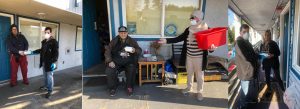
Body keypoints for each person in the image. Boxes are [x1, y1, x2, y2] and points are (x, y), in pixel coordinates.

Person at [158, 10, 215, 101]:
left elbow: (211, 45)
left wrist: (211, 49)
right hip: (189, 56)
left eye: (193, 17)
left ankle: (200, 91)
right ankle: (189, 87)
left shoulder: (207, 29)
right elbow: (179, 38)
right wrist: (166, 40)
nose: (191, 18)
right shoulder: (189, 29)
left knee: (200, 75)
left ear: (199, 18)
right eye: (191, 16)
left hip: (199, 58)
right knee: (189, 73)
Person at [104, 26, 142, 96]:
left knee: (132, 69)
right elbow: (107, 50)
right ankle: (112, 87)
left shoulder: (132, 41)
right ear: (119, 33)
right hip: (117, 61)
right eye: (121, 33)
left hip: (128, 61)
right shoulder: (114, 40)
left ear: (127, 33)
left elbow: (139, 50)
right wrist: (109, 61)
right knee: (109, 70)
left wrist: (134, 50)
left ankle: (129, 87)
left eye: (124, 33)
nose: (123, 34)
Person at [235, 24, 259, 108]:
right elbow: (247, 56)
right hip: (245, 72)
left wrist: (256, 55)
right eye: (244, 32)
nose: (246, 34)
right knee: (244, 92)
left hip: (249, 71)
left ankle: (247, 102)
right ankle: (241, 106)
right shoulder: (239, 43)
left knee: (248, 90)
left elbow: (251, 53)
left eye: (247, 32)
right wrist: (256, 56)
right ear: (240, 33)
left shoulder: (247, 42)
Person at [32, 27, 59, 98]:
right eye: (45, 32)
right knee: (45, 76)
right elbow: (41, 50)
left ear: (51, 33)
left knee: (50, 76)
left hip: (50, 62)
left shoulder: (54, 42)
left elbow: (56, 53)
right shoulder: (44, 41)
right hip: (44, 62)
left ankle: (50, 90)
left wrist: (54, 62)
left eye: (48, 32)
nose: (46, 33)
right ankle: (46, 86)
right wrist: (33, 51)